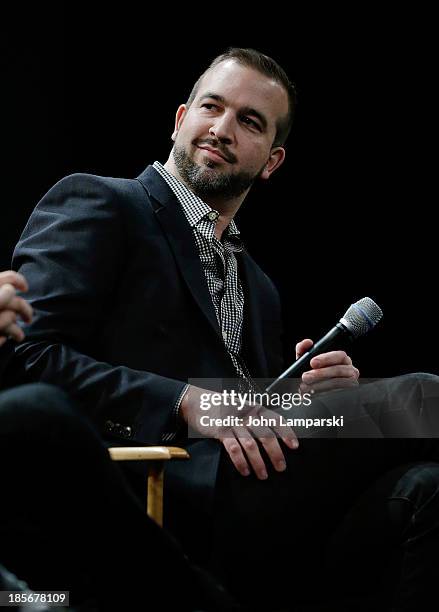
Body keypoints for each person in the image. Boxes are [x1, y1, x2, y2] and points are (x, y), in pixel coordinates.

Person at [7, 48, 439, 610]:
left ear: (272, 162)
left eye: (249, 121)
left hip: (253, 502)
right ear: (181, 118)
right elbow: (26, 360)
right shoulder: (100, 203)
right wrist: (184, 403)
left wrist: (306, 398)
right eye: (213, 107)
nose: (223, 128)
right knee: (422, 398)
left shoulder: (259, 286)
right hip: (161, 491)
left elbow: (249, 416)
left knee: (428, 489)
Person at [0, 271, 239, 611]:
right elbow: (35, 354)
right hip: (169, 474)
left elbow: (245, 406)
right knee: (35, 413)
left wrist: (315, 402)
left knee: (342, 419)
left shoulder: (256, 279)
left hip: (239, 465)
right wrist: (180, 401)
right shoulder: (101, 217)